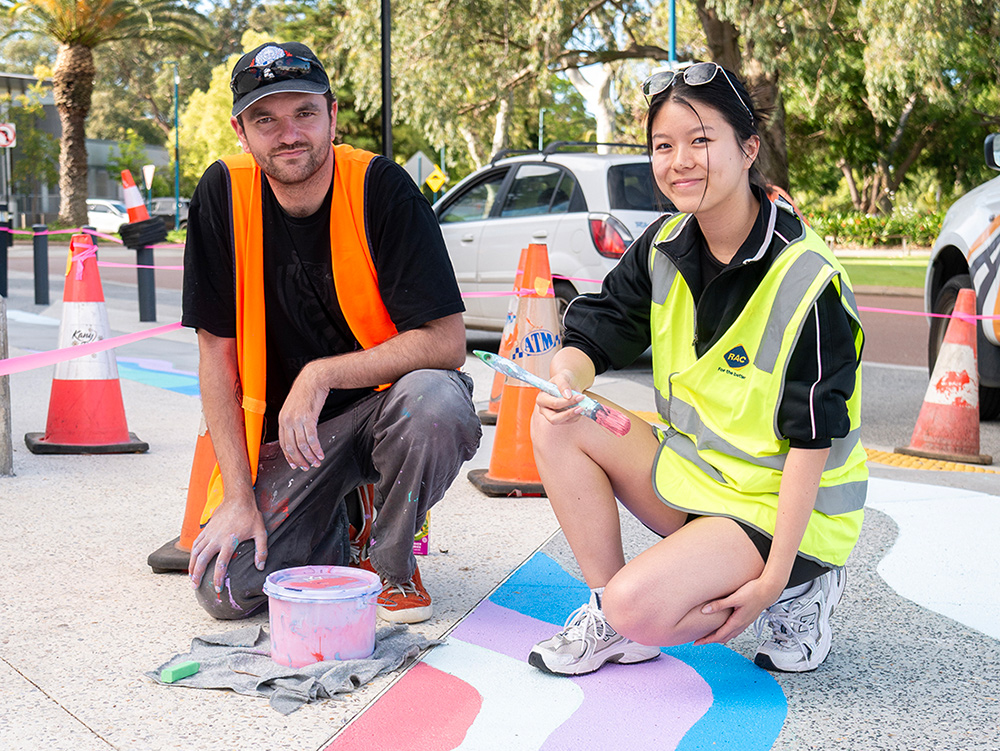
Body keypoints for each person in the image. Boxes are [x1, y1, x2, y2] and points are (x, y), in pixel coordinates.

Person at [526, 62, 867, 676]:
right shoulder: (663, 244)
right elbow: (596, 329)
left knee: (644, 603)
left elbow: (811, 442)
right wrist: (568, 377)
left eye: (701, 139)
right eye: (664, 145)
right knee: (558, 422)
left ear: (749, 148)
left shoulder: (805, 277)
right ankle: (614, 620)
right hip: (700, 481)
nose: (680, 160)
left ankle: (799, 591)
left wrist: (772, 579)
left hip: (781, 507)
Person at [181, 41, 481, 624]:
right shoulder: (221, 194)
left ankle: (389, 558)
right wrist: (240, 500)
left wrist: (322, 374)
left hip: (382, 414)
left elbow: (447, 344)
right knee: (229, 590)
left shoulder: (382, 189)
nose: (289, 133)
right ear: (241, 131)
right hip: (288, 443)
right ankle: (343, 516)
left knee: (436, 402)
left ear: (332, 115)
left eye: (304, 113)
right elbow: (215, 359)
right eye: (266, 119)